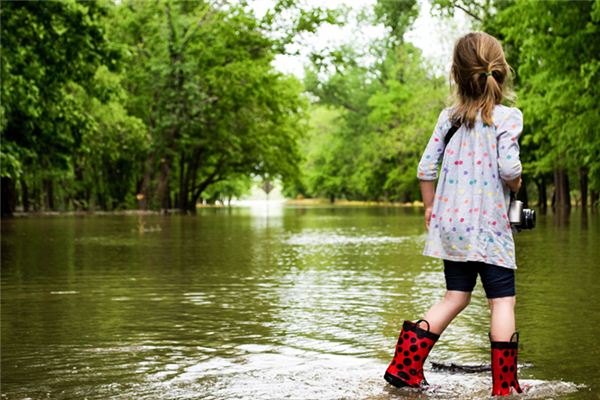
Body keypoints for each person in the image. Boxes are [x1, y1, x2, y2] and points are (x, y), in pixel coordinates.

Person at [383, 32, 524, 396]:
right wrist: (517, 184)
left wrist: (430, 206)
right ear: (500, 72)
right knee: (502, 301)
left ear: (457, 75)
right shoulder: (507, 118)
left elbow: (425, 168)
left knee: (455, 297)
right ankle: (505, 386)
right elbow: (510, 170)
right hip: (490, 228)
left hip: (453, 228)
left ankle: (404, 367)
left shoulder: (449, 119)